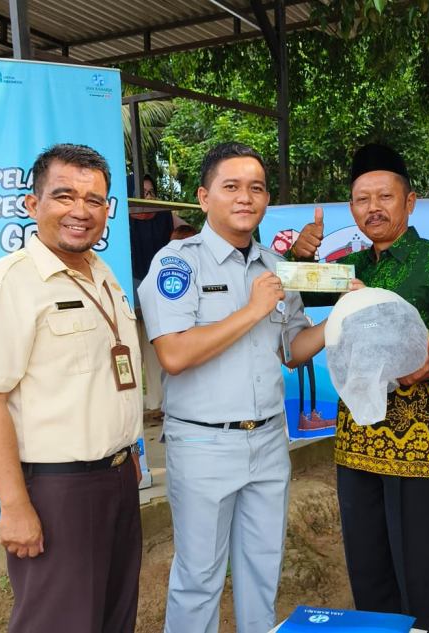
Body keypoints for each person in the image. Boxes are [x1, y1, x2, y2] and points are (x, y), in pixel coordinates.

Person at [289, 143, 429, 627]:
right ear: (351, 208)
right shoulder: (351, 270)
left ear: (410, 202)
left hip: (415, 446)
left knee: (421, 574)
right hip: (356, 442)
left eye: (385, 196)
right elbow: (288, 284)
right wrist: (297, 254)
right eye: (362, 199)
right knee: (368, 569)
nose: (373, 208)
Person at [139, 142, 327, 633]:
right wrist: (251, 310)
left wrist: (342, 319)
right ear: (204, 197)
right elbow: (174, 354)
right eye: (232, 186)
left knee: (263, 570)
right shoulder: (178, 263)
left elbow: (293, 349)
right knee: (199, 577)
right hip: (204, 443)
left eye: (256, 188)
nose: (246, 197)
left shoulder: (275, 267)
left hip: (268, 439)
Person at [0, 144, 144, 632]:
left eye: (94, 199)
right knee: (58, 622)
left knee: (114, 618)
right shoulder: (7, 284)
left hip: (118, 477)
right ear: (32, 203)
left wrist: (128, 454)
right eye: (64, 196)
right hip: (56, 489)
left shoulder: (102, 274)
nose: (80, 211)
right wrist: (15, 505)